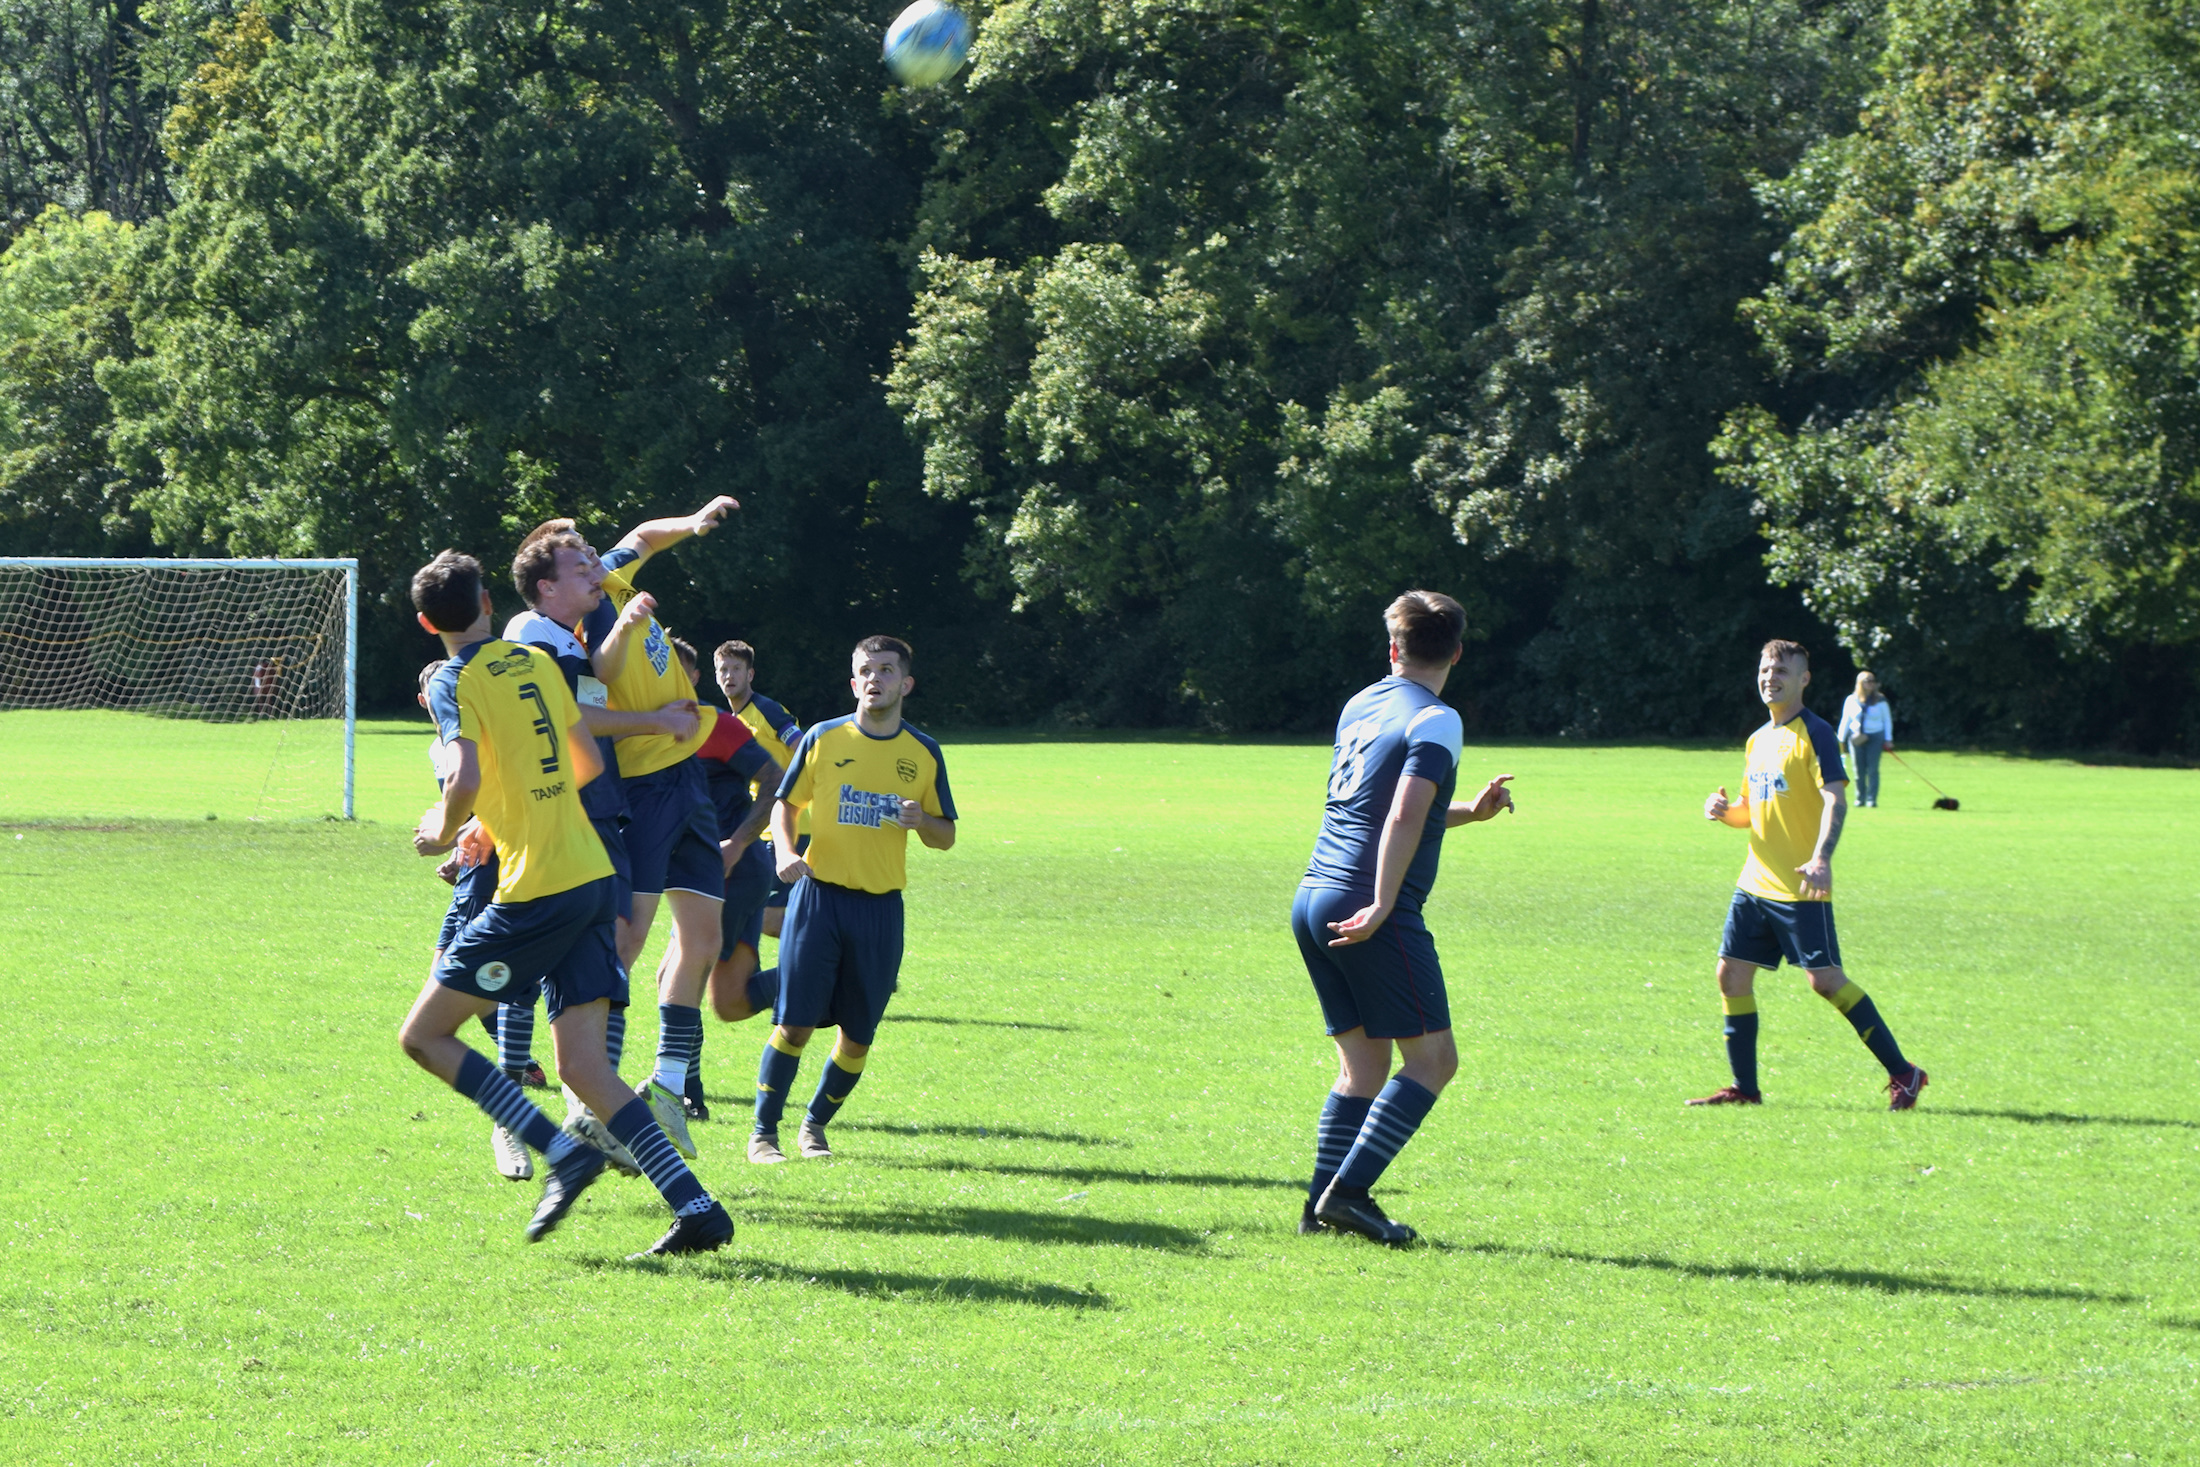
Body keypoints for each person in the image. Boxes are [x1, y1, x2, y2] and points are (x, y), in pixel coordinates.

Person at [398, 550, 732, 1256]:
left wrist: (447, 829)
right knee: (583, 1065)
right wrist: (506, 810)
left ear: (428, 624)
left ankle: (559, 1150)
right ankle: (697, 1208)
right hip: (592, 870)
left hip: (538, 885)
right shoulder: (536, 664)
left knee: (424, 1036)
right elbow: (582, 761)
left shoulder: (453, 680)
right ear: (488, 603)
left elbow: (464, 775)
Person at [1291, 591, 1516, 1247]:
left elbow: (1378, 809)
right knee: (1434, 1060)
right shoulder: (1438, 718)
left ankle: (1318, 1209)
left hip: (1315, 894)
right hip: (1369, 904)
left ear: (1394, 647)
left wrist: (1468, 811)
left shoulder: (1361, 703)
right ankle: (1348, 1195)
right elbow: (1403, 814)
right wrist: (1384, 902)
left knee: (1363, 1067)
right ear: (1457, 653)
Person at [505, 525, 702, 1172]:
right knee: (554, 958)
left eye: (594, 562)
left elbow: (588, 697)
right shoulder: (533, 636)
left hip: (599, 813)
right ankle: (527, 1107)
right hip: (567, 818)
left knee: (606, 958)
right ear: (546, 586)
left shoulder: (568, 636)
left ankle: (591, 1111)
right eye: (580, 566)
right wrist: (656, 721)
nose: (595, 573)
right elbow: (570, 718)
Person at [1691, 640, 1928, 1111]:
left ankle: (1905, 1073)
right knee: (1731, 975)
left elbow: (1835, 798)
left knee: (1825, 981)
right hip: (1754, 883)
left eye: (1781, 670)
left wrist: (1822, 857)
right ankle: (1745, 1089)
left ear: (1804, 679)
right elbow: (1749, 812)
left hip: (1801, 885)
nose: (1770, 677)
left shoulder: (1816, 734)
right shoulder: (1758, 740)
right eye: (1765, 669)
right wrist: (1722, 810)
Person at [749, 635, 957, 1164]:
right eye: (866, 670)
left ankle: (814, 1126)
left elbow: (945, 836)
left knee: (858, 1035)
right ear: (853, 682)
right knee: (794, 1023)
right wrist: (784, 852)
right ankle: (763, 1134)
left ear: (905, 684)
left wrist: (922, 820)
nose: (874, 679)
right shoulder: (823, 737)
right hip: (818, 900)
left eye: (886, 670)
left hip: (880, 909)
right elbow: (784, 805)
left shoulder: (923, 752)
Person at [576, 497, 741, 1160]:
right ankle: (593, 1091)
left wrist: (694, 522)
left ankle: (669, 1089)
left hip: (688, 778)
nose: (592, 554)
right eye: (577, 552)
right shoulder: (578, 614)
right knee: (629, 939)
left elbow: (644, 533)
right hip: (644, 787)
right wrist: (628, 624)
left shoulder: (610, 574)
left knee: (704, 937)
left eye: (589, 546)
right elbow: (599, 679)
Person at [421, 659, 539, 1183]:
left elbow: (488, 796)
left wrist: (450, 837)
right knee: (450, 973)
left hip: (495, 868)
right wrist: (459, 846)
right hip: (474, 866)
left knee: (463, 981)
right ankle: (517, 1071)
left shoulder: (477, 738)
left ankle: (515, 1082)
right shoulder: (442, 747)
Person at [668, 637, 779, 1122]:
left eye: (675, 671)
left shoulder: (718, 724)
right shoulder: (641, 728)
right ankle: (825, 972)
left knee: (680, 978)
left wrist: (736, 842)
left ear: (693, 678)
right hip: (699, 874)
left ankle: (683, 1093)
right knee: (728, 1001)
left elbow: (777, 778)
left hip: (735, 870)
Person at [716, 641, 805, 942]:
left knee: (766, 916)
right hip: (761, 826)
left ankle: (823, 956)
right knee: (751, 911)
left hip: (793, 824)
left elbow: (804, 748)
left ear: (750, 674)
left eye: (736, 669)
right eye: (723, 670)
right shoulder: (732, 721)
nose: (729, 676)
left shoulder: (766, 710)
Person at [1836, 671, 1894, 807]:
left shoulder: (1881, 700)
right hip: (1857, 737)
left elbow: (1887, 720)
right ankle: (1860, 798)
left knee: (1873, 769)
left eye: (1872, 681)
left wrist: (1888, 739)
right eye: (1867, 681)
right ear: (1860, 683)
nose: (1871, 684)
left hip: (1876, 735)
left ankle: (1871, 799)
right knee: (1858, 770)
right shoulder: (1851, 700)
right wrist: (1840, 739)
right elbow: (1846, 720)